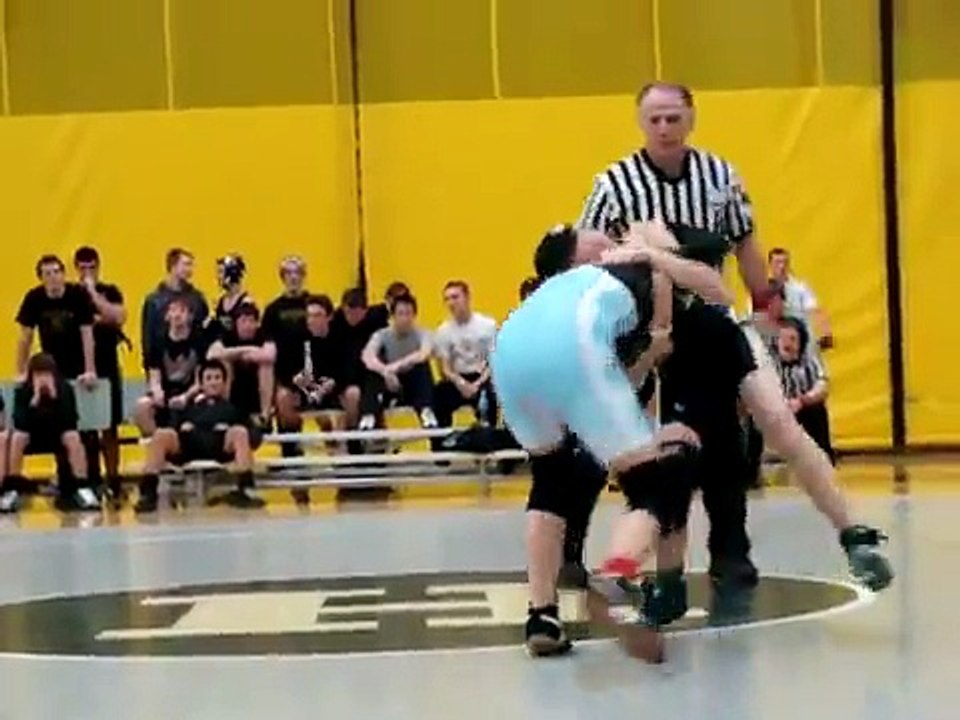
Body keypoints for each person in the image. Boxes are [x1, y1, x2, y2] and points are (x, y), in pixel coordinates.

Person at [515, 224, 893, 661]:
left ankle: (852, 534)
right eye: (591, 242)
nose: (603, 241)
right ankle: (656, 581)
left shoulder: (630, 251)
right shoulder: (586, 305)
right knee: (666, 465)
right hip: (665, 365)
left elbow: (717, 291)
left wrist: (654, 260)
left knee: (778, 425)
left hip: (709, 336)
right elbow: (627, 371)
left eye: (602, 238)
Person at [492, 224, 726, 658]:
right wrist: (656, 256)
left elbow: (618, 377)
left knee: (551, 484)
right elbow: (706, 296)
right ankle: (617, 574)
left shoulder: (558, 289)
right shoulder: (633, 264)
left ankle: (541, 614)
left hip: (509, 350)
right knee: (662, 481)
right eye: (595, 235)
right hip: (575, 347)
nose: (606, 235)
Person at [575, 81, 775, 589]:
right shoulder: (614, 183)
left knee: (725, 444)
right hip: (644, 330)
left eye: (673, 118)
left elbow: (745, 241)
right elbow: (586, 251)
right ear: (640, 122)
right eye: (655, 119)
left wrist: (765, 302)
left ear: (691, 119)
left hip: (707, 325)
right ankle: (641, 556)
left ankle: (731, 550)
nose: (664, 128)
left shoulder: (719, 176)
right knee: (648, 448)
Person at [134, 359, 264, 513]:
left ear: (224, 382)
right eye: (209, 378)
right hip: (190, 443)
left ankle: (245, 489)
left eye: (217, 378)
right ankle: (148, 493)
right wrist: (182, 428)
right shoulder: (188, 407)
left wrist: (231, 430)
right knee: (161, 435)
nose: (213, 383)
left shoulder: (234, 409)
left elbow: (255, 436)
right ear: (201, 384)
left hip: (219, 444)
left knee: (240, 432)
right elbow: (173, 428)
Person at [0, 354, 99, 513]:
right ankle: (12, 490)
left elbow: (70, 421)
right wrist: (35, 400)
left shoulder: (65, 388)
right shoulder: (23, 391)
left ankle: (83, 488)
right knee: (18, 437)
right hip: (33, 436)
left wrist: (54, 397)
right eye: (38, 374)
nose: (42, 379)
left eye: (46, 374)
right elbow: (20, 422)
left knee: (72, 437)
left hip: (57, 434)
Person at [73, 246, 127, 495]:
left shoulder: (110, 291)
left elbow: (117, 316)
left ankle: (114, 479)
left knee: (109, 426)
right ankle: (90, 479)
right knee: (83, 428)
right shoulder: (69, 295)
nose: (87, 272)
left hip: (106, 366)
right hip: (77, 365)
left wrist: (93, 294)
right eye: (82, 268)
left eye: (91, 267)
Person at [359, 293, 437, 431]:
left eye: (409, 313)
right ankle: (368, 415)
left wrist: (395, 367)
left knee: (422, 367)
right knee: (372, 373)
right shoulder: (381, 335)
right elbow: (367, 356)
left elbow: (423, 354)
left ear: (414, 315)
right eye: (401, 313)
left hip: (412, 386)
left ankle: (426, 412)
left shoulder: (424, 334)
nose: (405, 318)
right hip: (389, 385)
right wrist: (386, 372)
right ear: (393, 316)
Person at [135, 298, 207, 436]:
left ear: (190, 317)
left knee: (204, 402)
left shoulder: (199, 341)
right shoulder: (158, 342)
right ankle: (158, 441)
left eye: (182, 311)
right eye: (173, 310)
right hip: (166, 393)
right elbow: (154, 377)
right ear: (167, 316)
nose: (177, 315)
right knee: (142, 407)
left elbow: (200, 381)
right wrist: (157, 393)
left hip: (191, 394)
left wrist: (185, 397)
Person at [433, 281, 498, 428]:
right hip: (458, 378)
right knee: (438, 394)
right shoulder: (443, 331)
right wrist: (461, 383)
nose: (451, 303)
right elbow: (445, 368)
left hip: (483, 377)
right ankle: (441, 444)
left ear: (467, 297)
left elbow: (494, 361)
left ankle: (490, 436)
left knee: (494, 392)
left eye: (455, 297)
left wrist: (478, 384)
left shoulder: (487, 325)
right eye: (447, 299)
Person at [775, 317, 835, 463]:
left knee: (816, 409)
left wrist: (803, 400)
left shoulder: (809, 360)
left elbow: (822, 387)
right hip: (776, 411)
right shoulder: (768, 361)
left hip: (803, 408)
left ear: (801, 342)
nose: (787, 343)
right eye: (782, 339)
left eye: (792, 339)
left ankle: (822, 457)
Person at [207, 303, 276, 430]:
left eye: (251, 321)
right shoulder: (228, 336)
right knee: (224, 363)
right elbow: (211, 355)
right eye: (243, 321)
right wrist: (245, 350)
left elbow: (270, 355)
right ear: (236, 324)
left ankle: (265, 416)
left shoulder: (263, 334)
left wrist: (235, 354)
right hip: (234, 387)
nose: (248, 325)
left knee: (266, 366)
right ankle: (224, 412)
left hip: (257, 389)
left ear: (257, 324)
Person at [140, 248, 208, 373]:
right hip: (161, 367)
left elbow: (204, 333)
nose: (190, 270)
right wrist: (149, 369)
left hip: (193, 366)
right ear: (173, 266)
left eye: (191, 265)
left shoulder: (197, 299)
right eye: (186, 264)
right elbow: (148, 338)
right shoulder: (154, 301)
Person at [262, 256, 310, 402]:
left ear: (303, 276)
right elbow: (268, 344)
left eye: (297, 273)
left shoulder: (315, 304)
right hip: (284, 372)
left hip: (312, 369)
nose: (293, 277)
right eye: (289, 273)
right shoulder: (272, 309)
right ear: (282, 277)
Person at [767, 247, 833, 348]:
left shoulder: (800, 288)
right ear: (770, 265)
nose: (782, 266)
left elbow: (815, 309)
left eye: (785, 262)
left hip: (804, 344)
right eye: (777, 262)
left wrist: (826, 333)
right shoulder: (762, 292)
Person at [210, 254, 254, 339]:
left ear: (232, 273)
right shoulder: (220, 301)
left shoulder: (246, 302)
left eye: (221, 272)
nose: (218, 277)